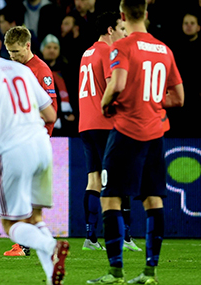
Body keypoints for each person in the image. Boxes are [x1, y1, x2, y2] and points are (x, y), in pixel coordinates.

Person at [0, 22, 69, 285]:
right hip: (42, 147)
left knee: (12, 225)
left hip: (14, 149)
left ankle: (50, 246)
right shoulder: (22, 71)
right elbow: (51, 114)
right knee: (35, 218)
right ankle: (52, 278)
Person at [87, 0, 184, 283]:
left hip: (126, 131)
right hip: (155, 132)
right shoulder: (164, 50)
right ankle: (150, 272)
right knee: (153, 199)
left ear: (122, 15)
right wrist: (153, 101)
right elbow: (178, 98)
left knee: (110, 197)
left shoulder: (124, 46)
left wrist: (106, 105)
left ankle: (115, 271)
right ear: (146, 14)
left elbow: (116, 85)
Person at [78, 11, 142, 253]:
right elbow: (114, 87)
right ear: (109, 30)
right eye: (121, 28)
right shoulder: (108, 52)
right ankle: (124, 237)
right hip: (106, 123)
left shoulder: (87, 53)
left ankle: (90, 238)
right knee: (119, 179)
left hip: (87, 124)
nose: (124, 33)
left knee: (93, 180)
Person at [2, 25, 57, 257]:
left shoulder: (40, 71)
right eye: (9, 52)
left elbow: (50, 110)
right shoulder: (16, 69)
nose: (13, 56)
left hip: (32, 141)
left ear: (28, 45)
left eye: (16, 51)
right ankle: (42, 245)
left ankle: (24, 245)